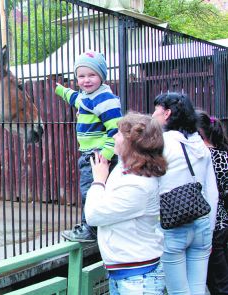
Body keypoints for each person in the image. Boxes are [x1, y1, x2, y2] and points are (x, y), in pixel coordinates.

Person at [84, 112, 167, 294]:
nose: (113, 136)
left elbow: (93, 214)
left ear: (132, 143)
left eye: (119, 134)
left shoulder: (137, 184)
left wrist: (98, 180)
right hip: (124, 270)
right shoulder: (126, 168)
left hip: (138, 278)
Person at [152, 92, 218, 294]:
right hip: (202, 223)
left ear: (167, 113)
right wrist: (211, 228)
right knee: (197, 289)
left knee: (178, 291)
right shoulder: (200, 144)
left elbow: (153, 186)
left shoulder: (162, 144)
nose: (152, 114)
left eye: (156, 110)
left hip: (173, 224)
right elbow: (211, 191)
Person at [55, 50, 122, 242]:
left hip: (98, 155)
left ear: (102, 75)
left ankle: (90, 230)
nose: (86, 80)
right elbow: (75, 98)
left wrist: (106, 155)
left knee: (90, 191)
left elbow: (116, 131)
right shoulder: (88, 96)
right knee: (95, 190)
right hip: (90, 154)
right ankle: (97, 225)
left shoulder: (104, 99)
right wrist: (59, 89)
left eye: (92, 75)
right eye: (81, 76)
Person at [197, 110, 228, 294]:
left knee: (217, 281)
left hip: (212, 224)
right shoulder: (222, 154)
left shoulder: (205, 157)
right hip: (221, 223)